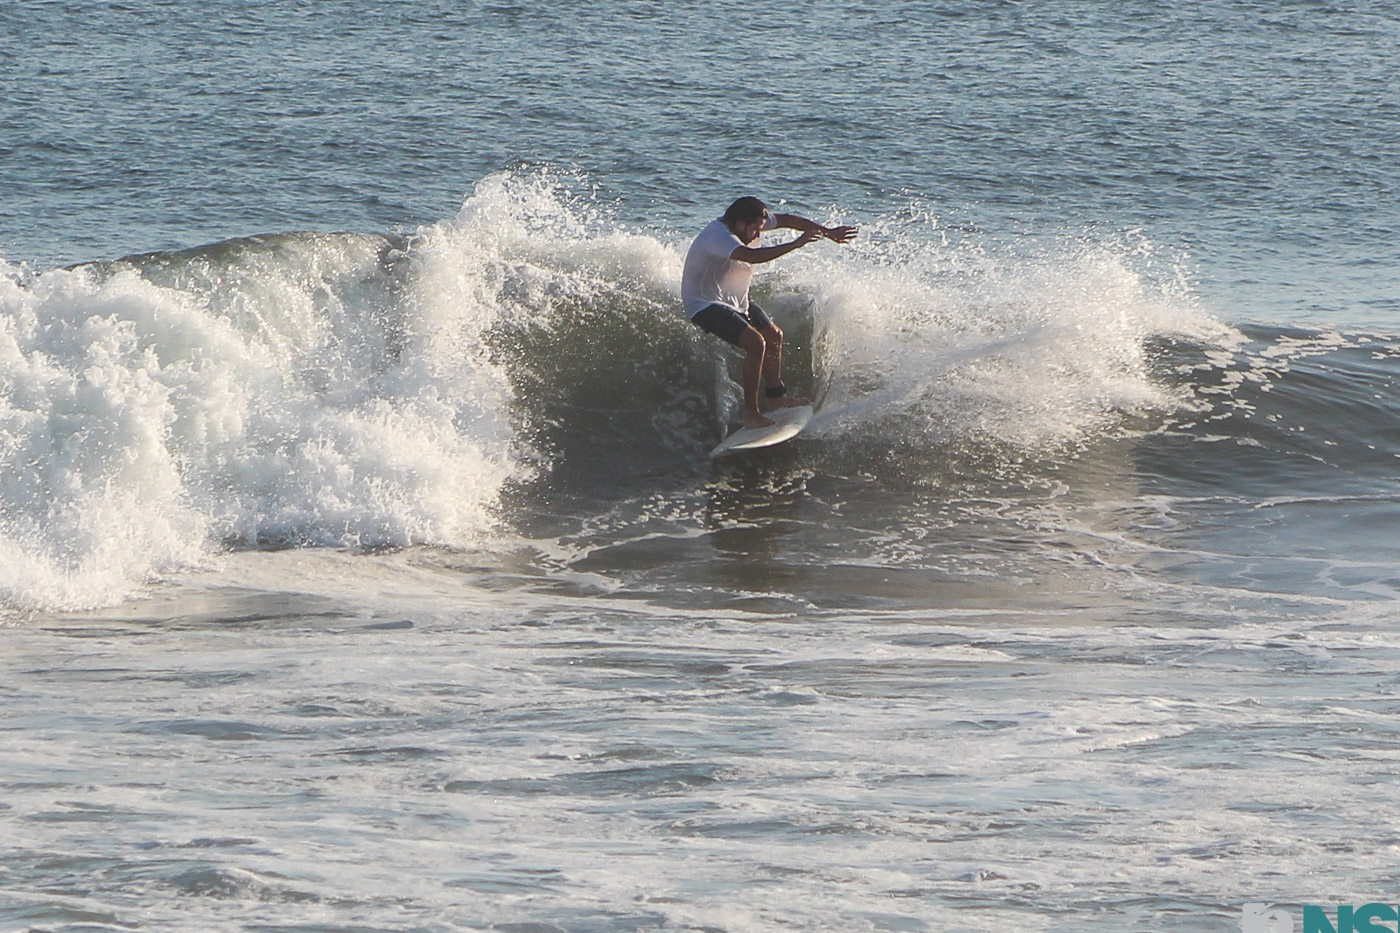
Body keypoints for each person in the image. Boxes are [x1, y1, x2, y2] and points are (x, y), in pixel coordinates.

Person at [681, 197, 858, 429]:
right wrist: (795, 244)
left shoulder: (749, 223)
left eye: (760, 228)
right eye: (754, 229)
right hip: (703, 304)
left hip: (732, 298)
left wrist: (827, 232)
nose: (757, 234)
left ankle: (776, 398)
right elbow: (753, 256)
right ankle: (751, 415)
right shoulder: (719, 237)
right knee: (756, 343)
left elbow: (787, 220)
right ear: (740, 223)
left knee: (773, 336)